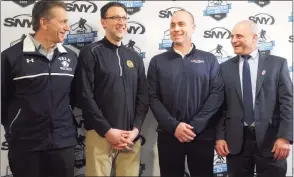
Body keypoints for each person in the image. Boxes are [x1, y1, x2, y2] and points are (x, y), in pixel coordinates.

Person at [1, 1, 78, 177]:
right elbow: (2, 101)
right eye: (63, 21)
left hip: (63, 144)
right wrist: (14, 131)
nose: (67, 27)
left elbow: (73, 98)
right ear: (44, 23)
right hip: (25, 146)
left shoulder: (71, 57)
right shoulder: (10, 57)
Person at [75, 2, 149, 176]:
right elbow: (84, 96)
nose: (121, 22)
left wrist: (135, 130)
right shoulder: (90, 52)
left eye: (124, 18)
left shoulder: (134, 57)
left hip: (130, 137)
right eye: (115, 17)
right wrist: (107, 131)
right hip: (100, 135)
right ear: (103, 22)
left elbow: (143, 96)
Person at [147, 10, 224, 177]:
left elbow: (217, 95)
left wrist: (195, 126)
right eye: (172, 25)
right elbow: (152, 97)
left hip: (202, 135)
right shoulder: (157, 61)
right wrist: (174, 126)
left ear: (193, 27)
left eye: (181, 24)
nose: (176, 29)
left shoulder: (209, 59)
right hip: (169, 134)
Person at [215, 20, 293, 177]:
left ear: (254, 37)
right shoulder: (224, 68)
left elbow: (288, 103)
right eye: (232, 36)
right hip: (236, 142)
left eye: (239, 36)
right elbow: (220, 107)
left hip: (271, 141)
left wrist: (285, 137)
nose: (233, 40)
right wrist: (220, 137)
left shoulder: (277, 64)